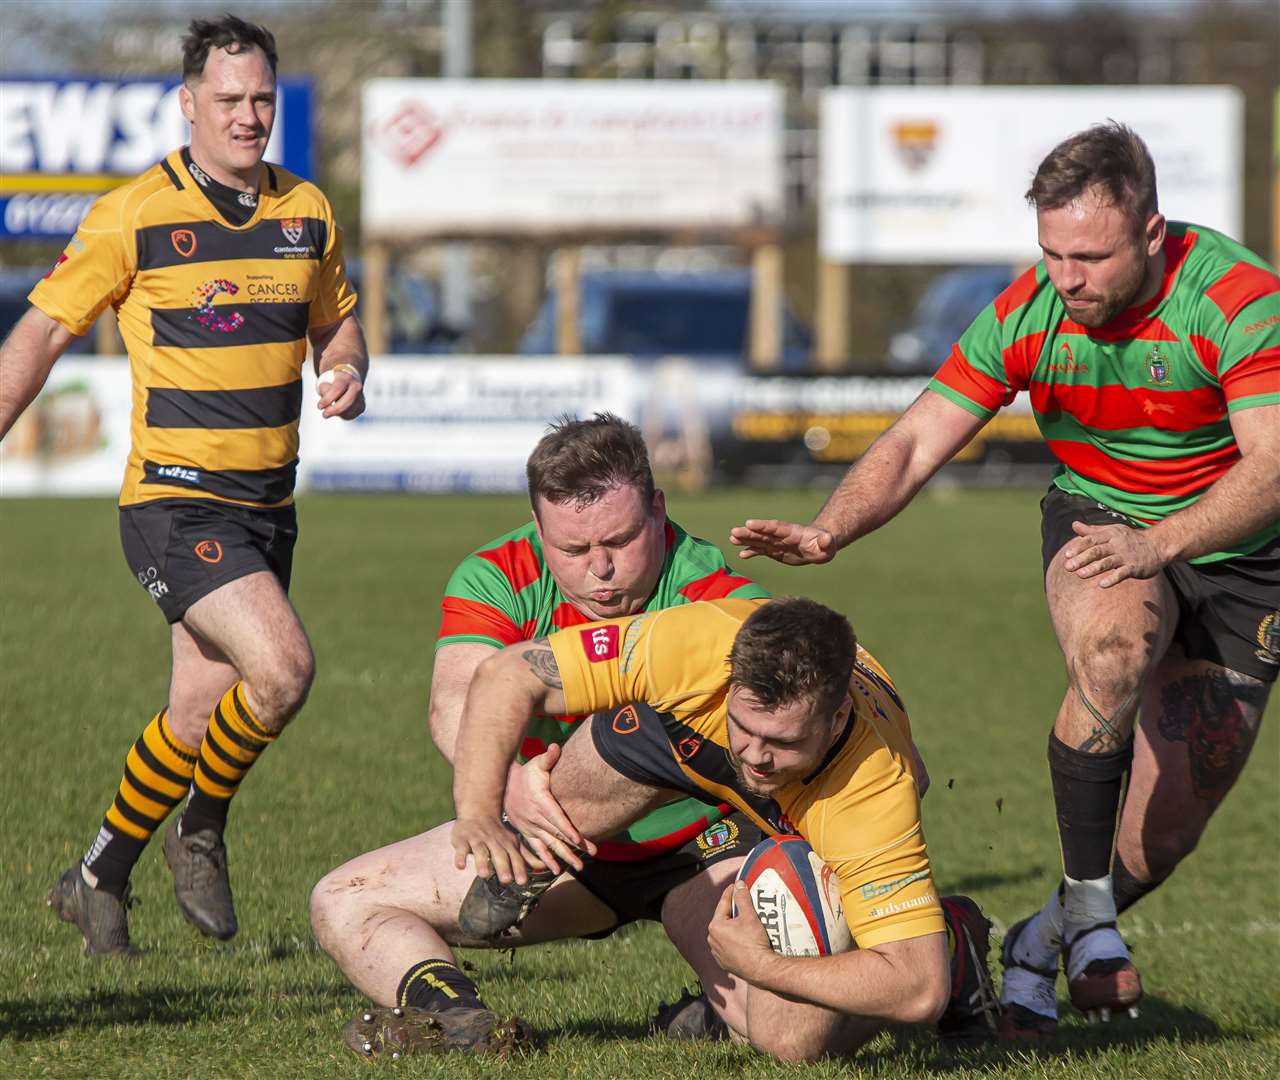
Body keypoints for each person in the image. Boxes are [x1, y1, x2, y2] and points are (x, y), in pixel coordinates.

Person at [729, 122, 1280, 1039]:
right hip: (1103, 516)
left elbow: (1269, 469)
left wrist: (1168, 541)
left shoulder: (1238, 300)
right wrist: (830, 530)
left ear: (1152, 234)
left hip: (1246, 559)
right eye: (1052, 253)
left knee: (1166, 834)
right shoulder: (1030, 311)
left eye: (1092, 256)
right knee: (1111, 648)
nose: (1069, 279)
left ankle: (1037, 941)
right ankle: (1094, 921)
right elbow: (913, 442)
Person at [0, 15, 367, 955]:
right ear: (188, 104)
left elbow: (337, 323)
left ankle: (96, 876)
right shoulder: (134, 213)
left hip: (268, 508)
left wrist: (348, 367)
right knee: (282, 672)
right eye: (229, 100)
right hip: (172, 500)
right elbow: (41, 332)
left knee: (199, 714)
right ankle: (198, 830)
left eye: (261, 100)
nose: (248, 117)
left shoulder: (308, 211)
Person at [310, 413, 774, 1057]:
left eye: (621, 539)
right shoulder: (496, 574)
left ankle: (933, 954)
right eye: (573, 551)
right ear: (539, 528)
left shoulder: (710, 588)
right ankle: (464, 1022)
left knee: (783, 1031)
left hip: (704, 847)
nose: (600, 571)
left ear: (658, 509)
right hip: (555, 849)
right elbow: (454, 702)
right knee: (342, 901)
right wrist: (507, 786)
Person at [433, 595, 1000, 1063]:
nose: (754, 756)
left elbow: (916, 989)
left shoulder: (870, 793)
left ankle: (953, 943)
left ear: (832, 724)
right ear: (730, 679)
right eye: (745, 726)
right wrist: (481, 811)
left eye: (782, 741)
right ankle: (534, 855)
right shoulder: (693, 645)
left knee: (786, 1042)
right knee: (600, 750)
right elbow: (505, 674)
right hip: (691, 730)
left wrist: (759, 965)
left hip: (817, 810)